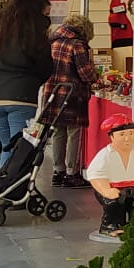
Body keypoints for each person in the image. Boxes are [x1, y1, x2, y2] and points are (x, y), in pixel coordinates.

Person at [0, 0, 54, 151]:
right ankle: (9, 176)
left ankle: (3, 175)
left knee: (6, 147)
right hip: (22, 96)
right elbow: (46, 68)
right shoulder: (33, 37)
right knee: (18, 150)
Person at [46, 14, 98, 187]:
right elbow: (85, 73)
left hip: (53, 91)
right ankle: (71, 173)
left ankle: (57, 170)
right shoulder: (77, 44)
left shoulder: (54, 41)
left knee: (58, 131)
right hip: (72, 93)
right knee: (74, 132)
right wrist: (95, 75)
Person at [85, 117, 134, 242]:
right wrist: (106, 189)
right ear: (112, 137)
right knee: (114, 202)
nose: (128, 138)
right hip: (113, 188)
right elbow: (96, 175)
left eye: (131, 134)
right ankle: (111, 225)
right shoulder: (105, 155)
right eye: (122, 134)